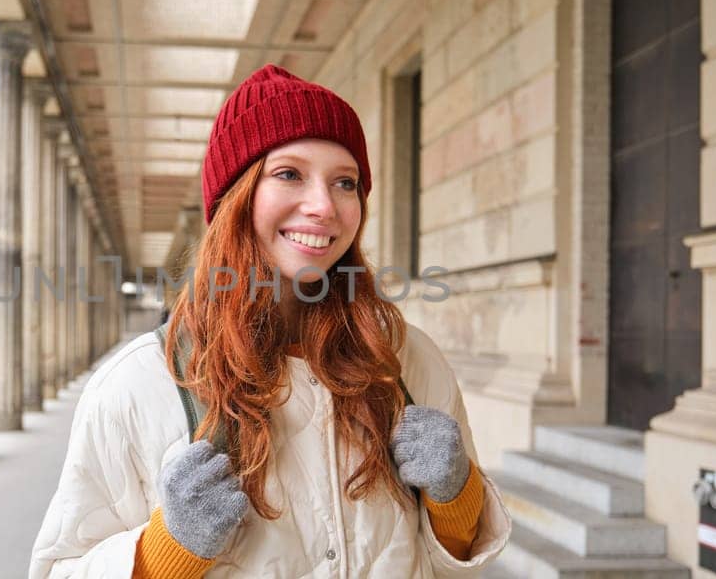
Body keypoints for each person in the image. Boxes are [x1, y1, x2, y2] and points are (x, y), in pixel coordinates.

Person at [30, 65, 510, 578]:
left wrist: (456, 497)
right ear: (235, 198)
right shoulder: (138, 382)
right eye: (289, 174)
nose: (324, 205)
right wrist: (164, 551)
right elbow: (60, 567)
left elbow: (452, 561)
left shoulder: (406, 360)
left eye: (345, 182)